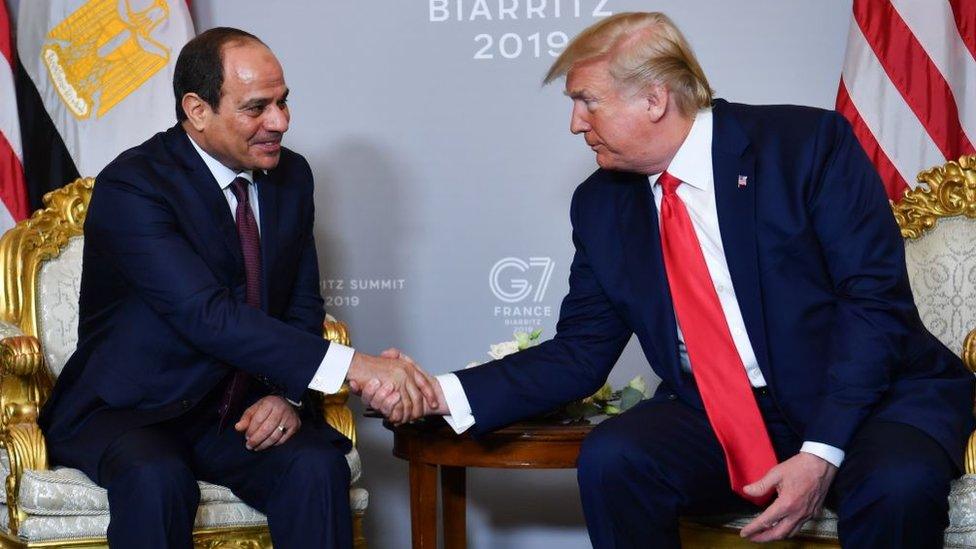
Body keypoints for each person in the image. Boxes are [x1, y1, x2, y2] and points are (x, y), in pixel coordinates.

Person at [368, 12, 975, 548]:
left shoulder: (805, 146)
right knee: (617, 458)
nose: (576, 124)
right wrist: (439, 392)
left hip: (871, 399)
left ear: (654, 99)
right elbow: (580, 354)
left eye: (587, 101)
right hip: (727, 411)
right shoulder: (602, 205)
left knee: (897, 487)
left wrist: (820, 452)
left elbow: (873, 307)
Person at [38, 27, 437, 549]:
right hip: (131, 409)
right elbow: (206, 314)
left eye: (283, 102)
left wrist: (286, 394)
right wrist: (356, 366)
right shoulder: (133, 186)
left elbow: (300, 301)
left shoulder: (292, 177)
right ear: (197, 110)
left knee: (316, 467)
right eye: (257, 108)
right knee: (158, 479)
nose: (280, 123)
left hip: (235, 412)